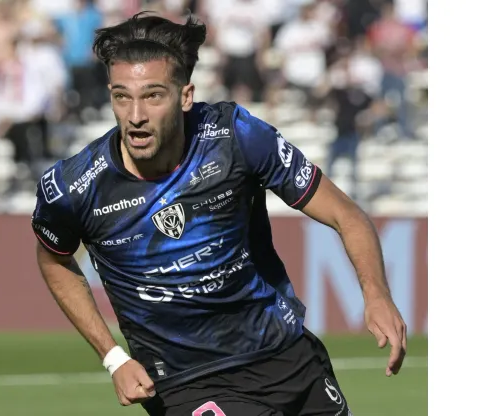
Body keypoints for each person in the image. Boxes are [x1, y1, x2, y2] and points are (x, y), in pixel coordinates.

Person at [31, 12, 407, 416]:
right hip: (187, 381)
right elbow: (53, 257)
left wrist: (377, 294)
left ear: (185, 96)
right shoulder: (75, 187)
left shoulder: (235, 137)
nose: (135, 115)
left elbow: (345, 214)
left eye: (153, 95)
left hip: (287, 355)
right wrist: (114, 358)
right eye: (122, 96)